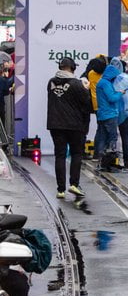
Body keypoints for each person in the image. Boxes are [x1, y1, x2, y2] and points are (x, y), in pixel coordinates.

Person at [46, 56, 91, 198]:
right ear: (73, 68)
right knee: (76, 154)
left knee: (59, 155)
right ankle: (74, 184)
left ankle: (60, 189)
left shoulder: (51, 82)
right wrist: (86, 89)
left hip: (56, 124)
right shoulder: (77, 84)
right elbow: (87, 104)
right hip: (74, 125)